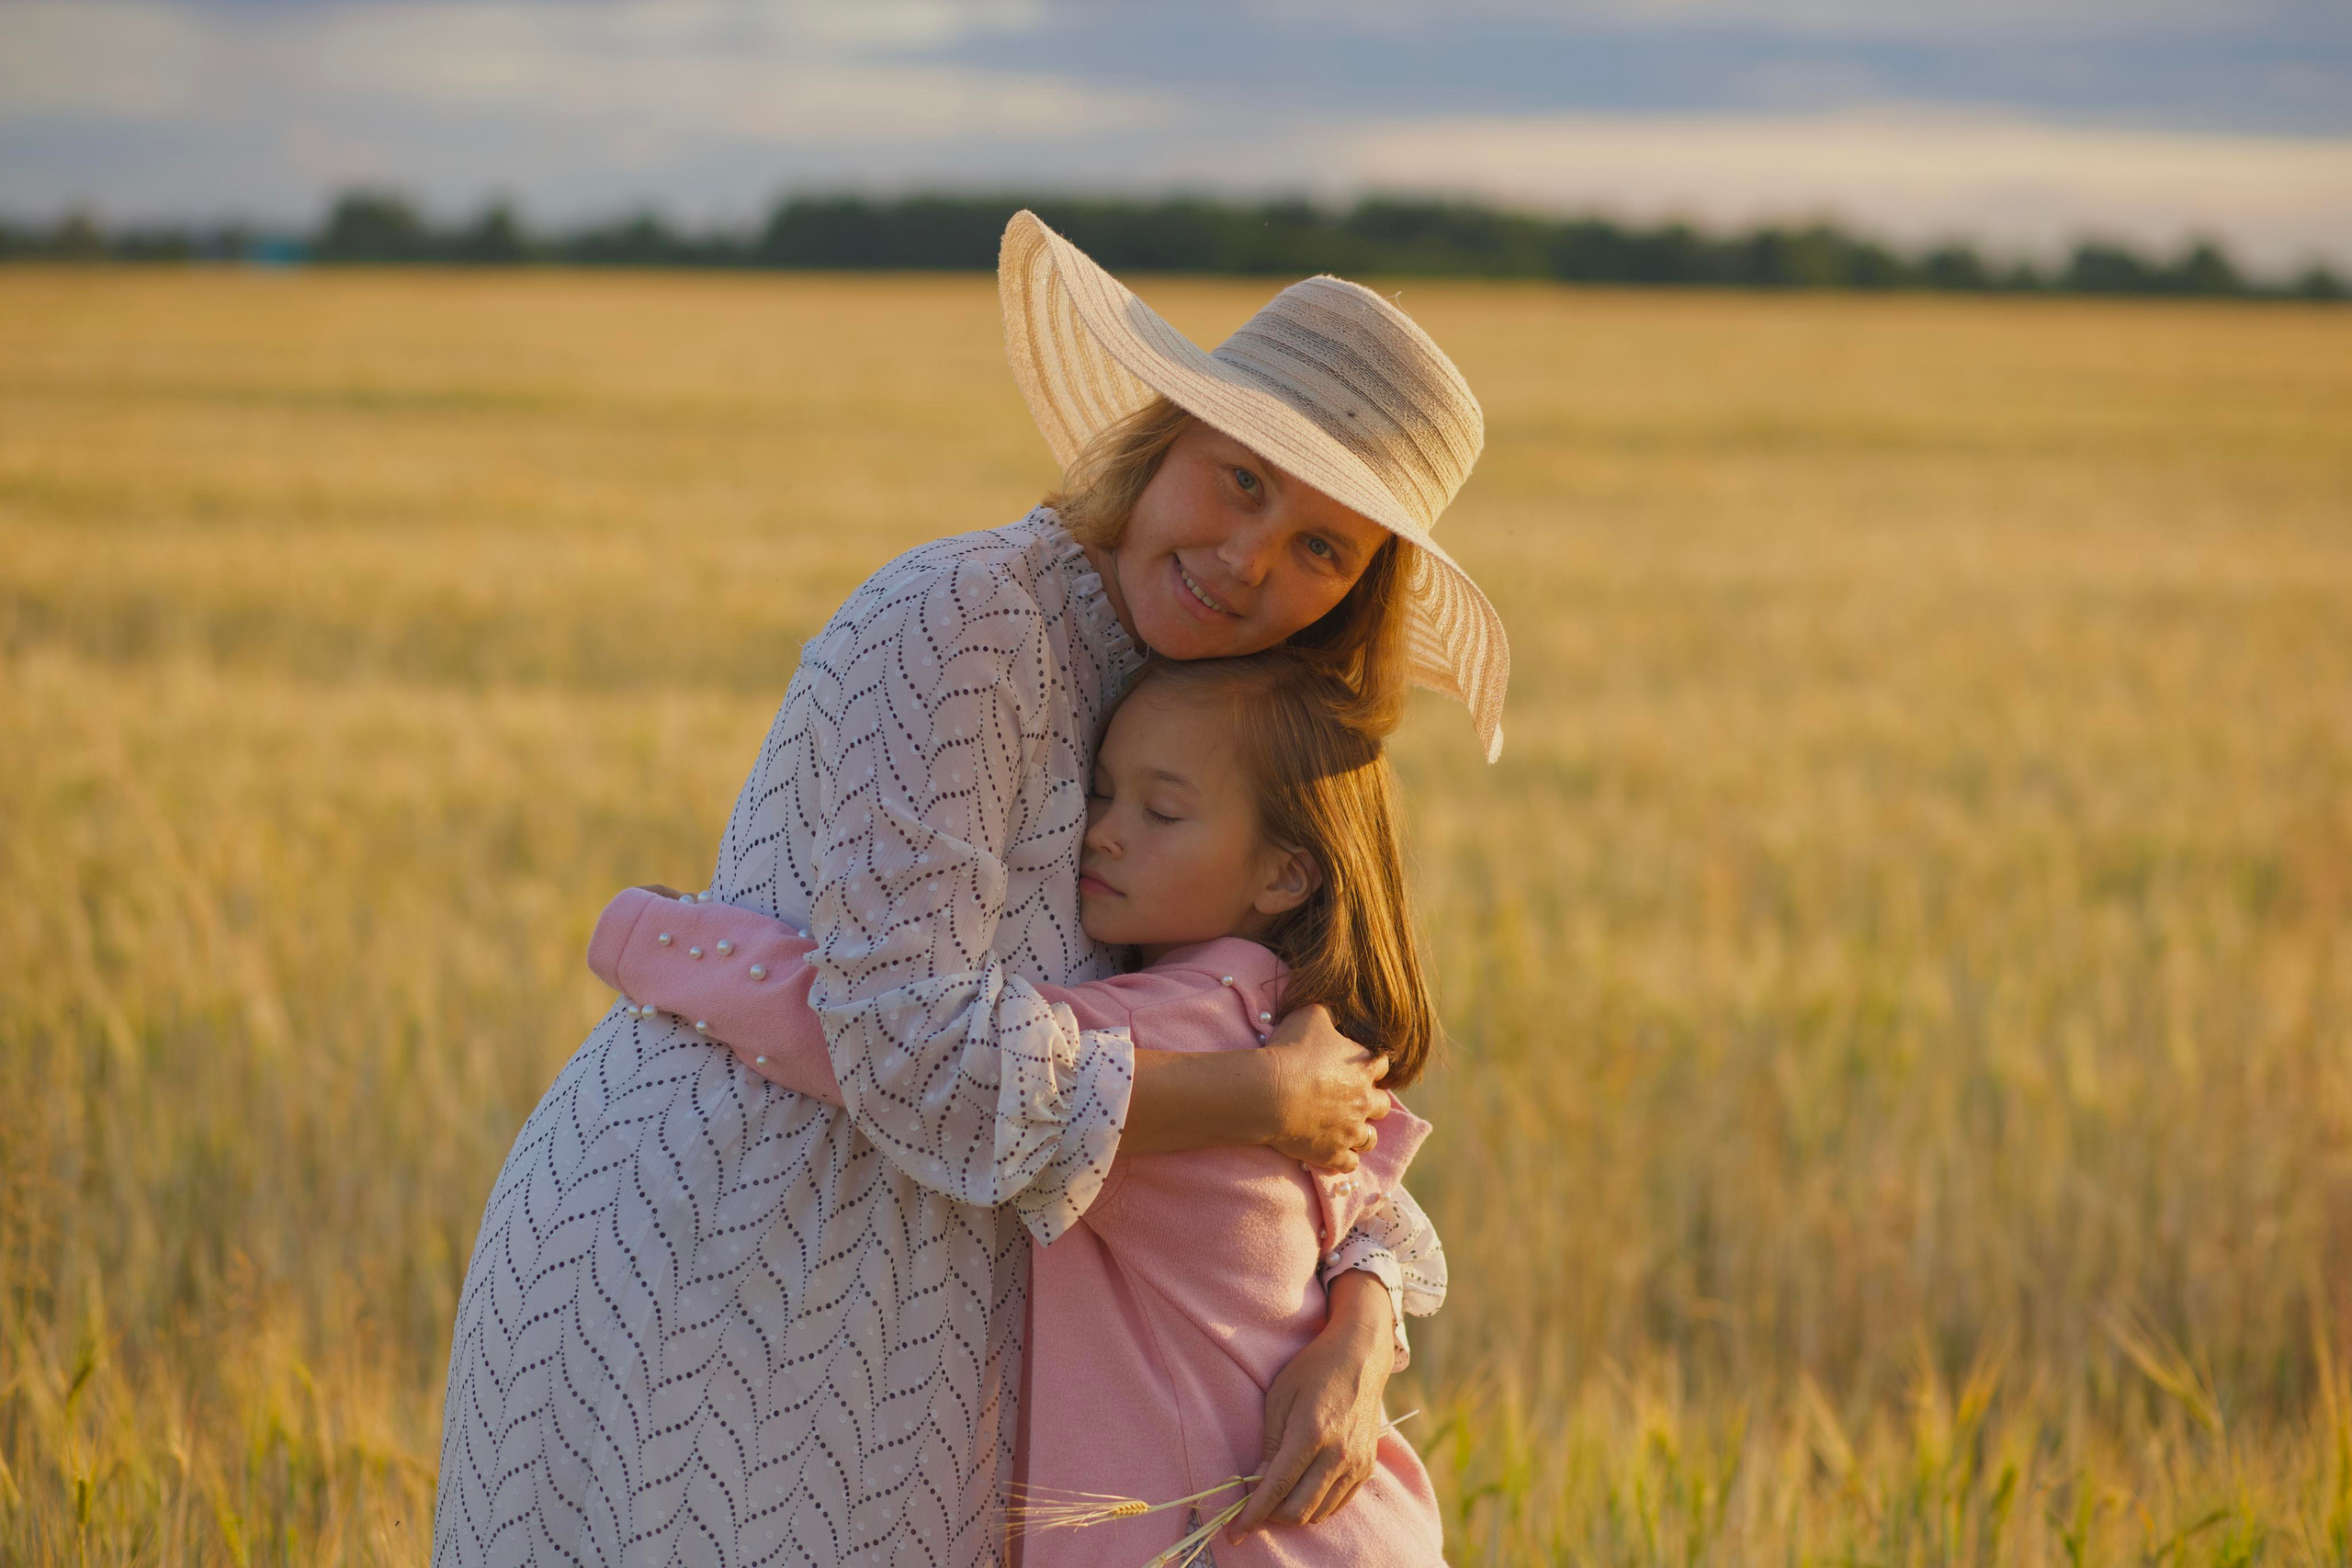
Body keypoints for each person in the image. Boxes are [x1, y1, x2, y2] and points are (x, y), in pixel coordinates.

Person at [432, 210, 1508, 1568]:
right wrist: (1250, 1103)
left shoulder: (1238, 722)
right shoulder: (965, 621)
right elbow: (915, 1042)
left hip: (958, 1349)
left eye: (1322, 549)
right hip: (721, 1274)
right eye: (1243, 482)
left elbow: (1309, 1089)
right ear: (1167, 432)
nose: (1252, 560)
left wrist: (1359, 1321)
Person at [587, 649, 1451, 1566]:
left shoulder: (1166, 1028)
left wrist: (657, 937)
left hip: (1240, 1542)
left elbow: (895, 1050)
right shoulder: (1298, 1030)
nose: (1104, 834)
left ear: (1283, 877)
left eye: (1160, 812)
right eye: (1103, 794)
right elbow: (1365, 1207)